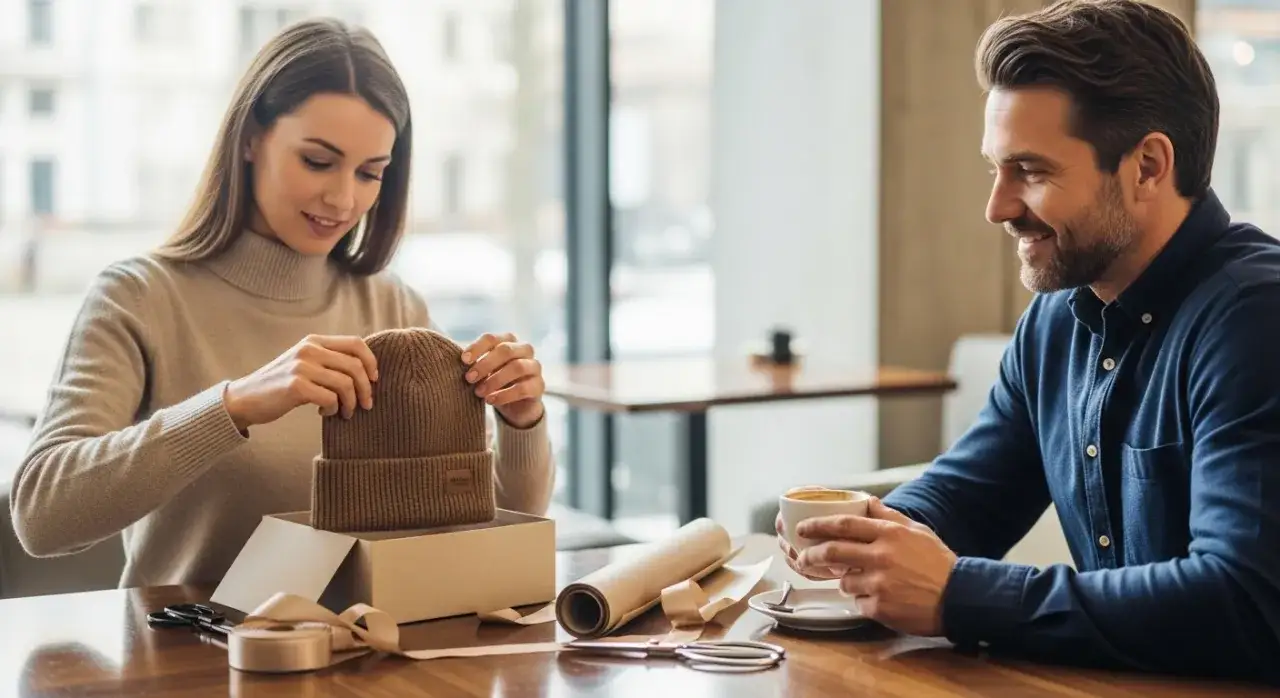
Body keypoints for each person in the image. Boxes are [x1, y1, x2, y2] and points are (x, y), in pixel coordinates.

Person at [778, 0, 1280, 684]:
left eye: (1032, 172)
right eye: (997, 169)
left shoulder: (1255, 317)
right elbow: (973, 494)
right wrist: (869, 536)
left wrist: (957, 596)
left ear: (1148, 167)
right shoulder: (1059, 318)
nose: (998, 207)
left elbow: (1242, 603)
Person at [9, 18, 554, 588]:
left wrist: (521, 421)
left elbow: (494, 527)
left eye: (370, 173)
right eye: (318, 161)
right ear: (250, 139)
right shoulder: (139, 298)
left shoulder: (394, 309)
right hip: (190, 660)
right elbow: (40, 516)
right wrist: (233, 406)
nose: (343, 198)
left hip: (372, 658)